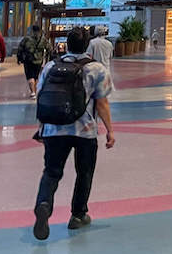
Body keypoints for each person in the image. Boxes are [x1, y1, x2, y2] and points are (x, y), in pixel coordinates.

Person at [32, 26, 115, 240]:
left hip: (54, 128)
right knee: (84, 172)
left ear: (66, 45)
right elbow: (102, 103)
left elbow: (41, 96)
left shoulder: (51, 66)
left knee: (51, 172)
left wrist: (42, 127)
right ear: (86, 45)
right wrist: (109, 131)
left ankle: (44, 204)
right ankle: (78, 215)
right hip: (84, 130)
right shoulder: (96, 69)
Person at [16, 24, 49, 98]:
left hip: (28, 60)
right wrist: (46, 58)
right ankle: (36, 91)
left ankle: (32, 92)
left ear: (32, 30)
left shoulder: (27, 39)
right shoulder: (43, 39)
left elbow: (20, 49)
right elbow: (49, 48)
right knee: (36, 76)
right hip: (39, 61)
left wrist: (19, 59)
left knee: (30, 76)